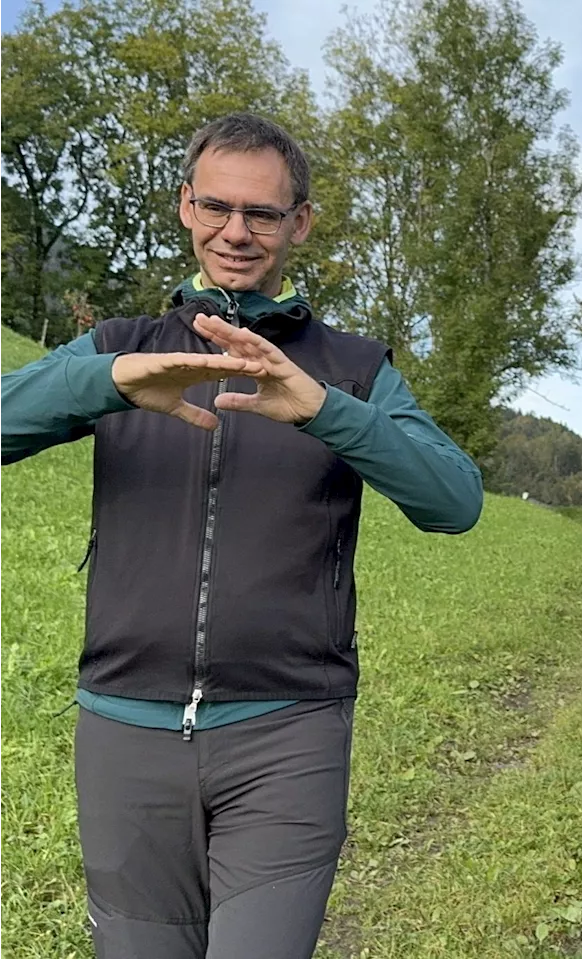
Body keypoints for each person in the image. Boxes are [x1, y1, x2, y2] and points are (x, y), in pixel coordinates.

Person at [0, 113, 484, 958]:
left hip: (289, 732)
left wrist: (326, 410)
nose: (237, 231)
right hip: (124, 730)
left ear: (299, 222)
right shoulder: (121, 348)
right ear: (185, 206)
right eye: (217, 206)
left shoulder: (353, 368)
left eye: (262, 213)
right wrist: (108, 382)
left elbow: (455, 499)